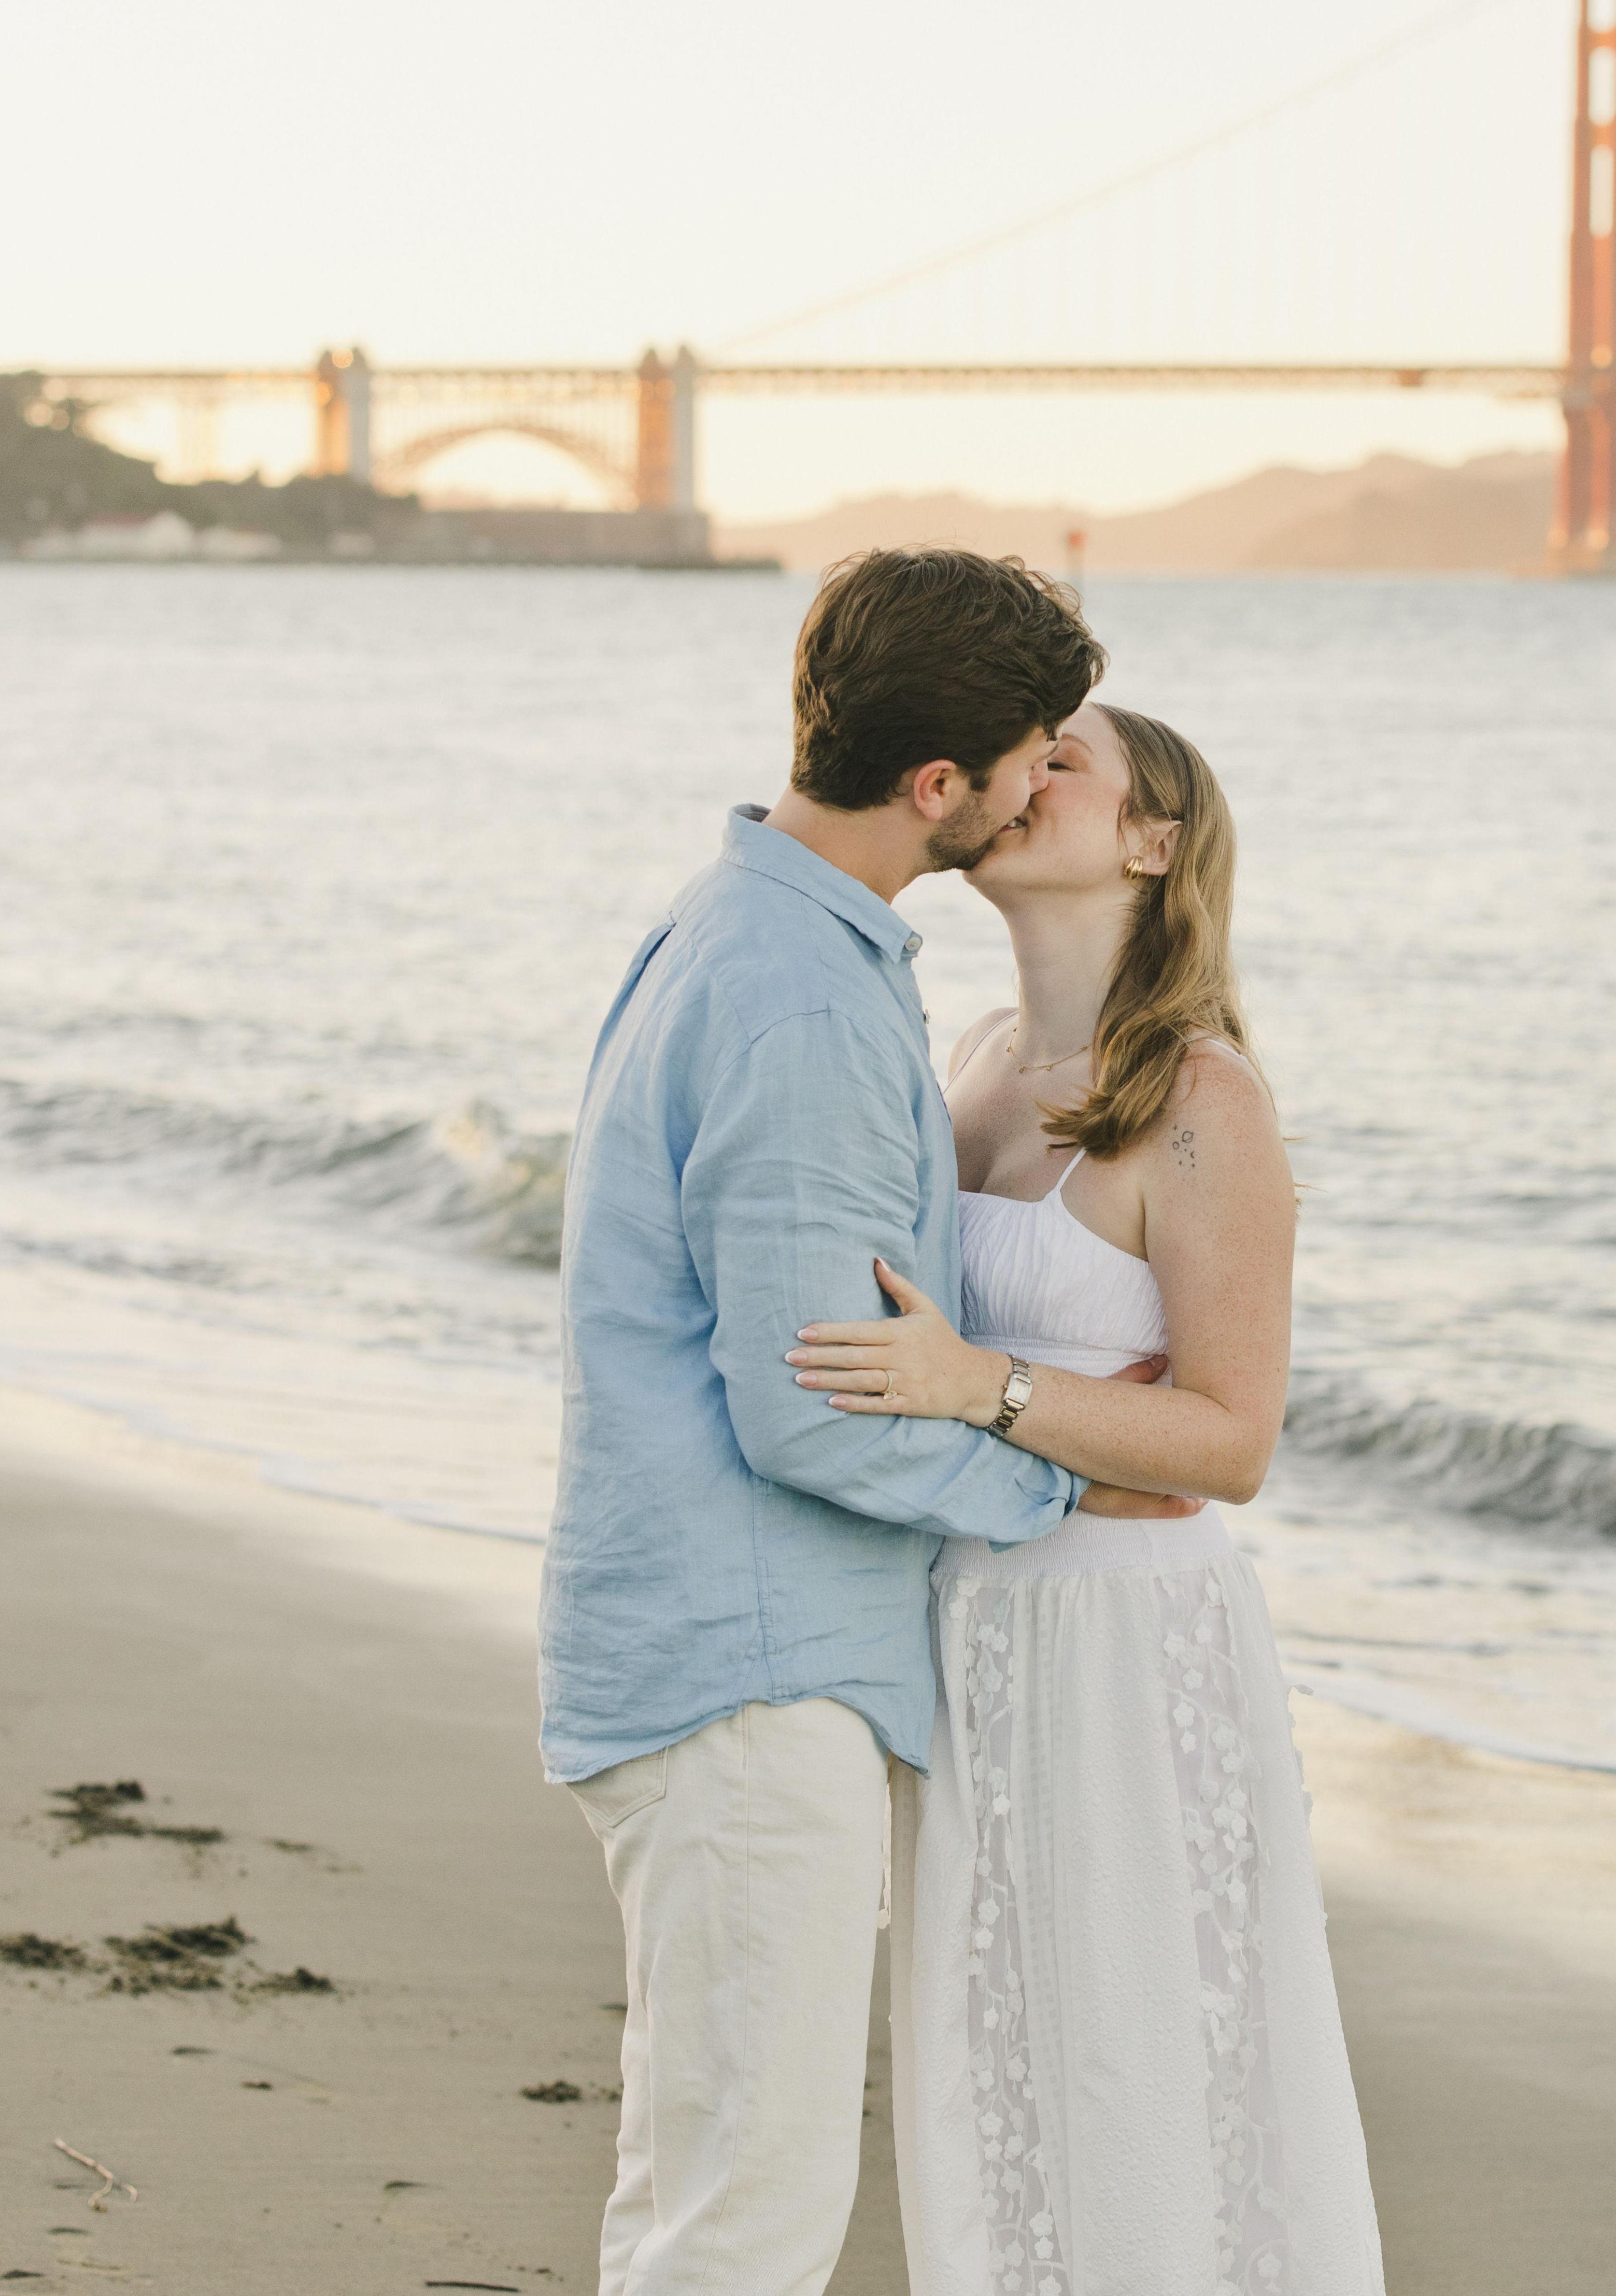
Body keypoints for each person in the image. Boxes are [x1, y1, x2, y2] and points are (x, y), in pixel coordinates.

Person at [540, 549, 1191, 2296]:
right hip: (752, 1671)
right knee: (743, 2224)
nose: (1045, 780)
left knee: (692, 2197)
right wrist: (1061, 1482)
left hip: (693, 1642)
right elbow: (812, 1409)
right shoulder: (815, 999)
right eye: (1032, 753)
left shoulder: (728, 921)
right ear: (939, 788)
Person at [787, 699, 1386, 2296]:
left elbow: (1233, 1438)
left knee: (1126, 2062)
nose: (1026, 776)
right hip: (967, 1623)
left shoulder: (1199, 1100)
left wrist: (982, 1391)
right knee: (988, 2058)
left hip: (1123, 1651)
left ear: (1150, 840)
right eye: (1022, 754)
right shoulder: (975, 1059)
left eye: (1070, 763)